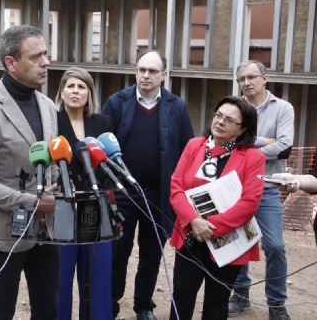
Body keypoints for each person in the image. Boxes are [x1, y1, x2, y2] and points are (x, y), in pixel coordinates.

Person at [0, 25, 59, 320]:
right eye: (35, 57)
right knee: (0, 312)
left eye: (45, 54)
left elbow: (50, 164)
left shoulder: (48, 105)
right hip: (5, 233)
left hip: (47, 230)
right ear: (11, 63)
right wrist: (30, 202)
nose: (45, 62)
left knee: (47, 310)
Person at [102, 50, 194, 320]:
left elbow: (187, 149)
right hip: (122, 194)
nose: (146, 75)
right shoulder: (117, 102)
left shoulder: (177, 106)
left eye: (152, 71)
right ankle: (111, 303)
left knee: (152, 255)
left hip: (159, 195)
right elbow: (100, 144)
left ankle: (144, 305)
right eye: (141, 70)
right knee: (118, 252)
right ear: (135, 72)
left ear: (164, 75)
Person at [169, 96, 265, 320]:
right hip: (191, 234)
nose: (220, 122)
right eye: (218, 115)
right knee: (182, 294)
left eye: (229, 119)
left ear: (242, 129)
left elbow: (250, 202)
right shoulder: (195, 145)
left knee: (216, 301)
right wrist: (194, 220)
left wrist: (212, 227)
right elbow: (176, 188)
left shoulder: (253, 157)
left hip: (227, 240)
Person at [229, 60, 295, 320]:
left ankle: (277, 304)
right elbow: (227, 142)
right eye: (242, 78)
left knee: (275, 246)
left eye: (251, 77)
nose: (246, 83)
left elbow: (285, 147)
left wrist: (248, 145)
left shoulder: (283, 108)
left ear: (265, 79)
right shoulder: (234, 108)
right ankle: (240, 294)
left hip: (267, 187)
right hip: (236, 188)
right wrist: (266, 141)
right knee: (240, 243)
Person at [54, 67, 113, 319]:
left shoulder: (103, 123)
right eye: (70, 86)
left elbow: (108, 163)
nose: (75, 91)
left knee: (97, 278)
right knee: (60, 279)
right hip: (63, 209)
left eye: (81, 87)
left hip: (96, 208)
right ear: (62, 92)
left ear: (90, 94)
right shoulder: (51, 121)